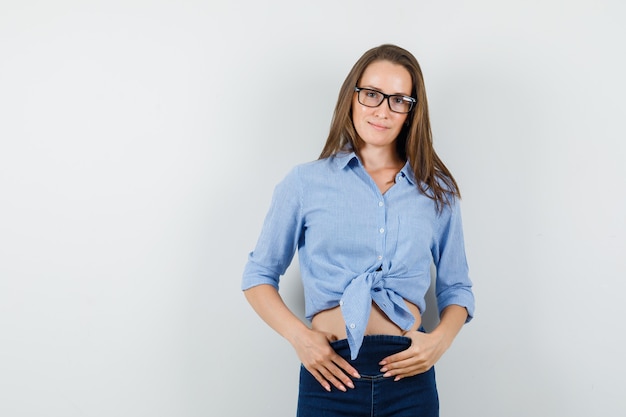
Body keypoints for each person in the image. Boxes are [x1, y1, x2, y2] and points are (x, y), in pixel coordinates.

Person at [241, 44, 475, 417]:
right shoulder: (305, 183)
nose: (382, 110)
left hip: (408, 379)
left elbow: (457, 287)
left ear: (412, 111)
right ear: (352, 97)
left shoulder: (437, 191)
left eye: (399, 100)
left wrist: (439, 342)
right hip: (329, 374)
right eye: (371, 95)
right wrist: (301, 340)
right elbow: (258, 276)